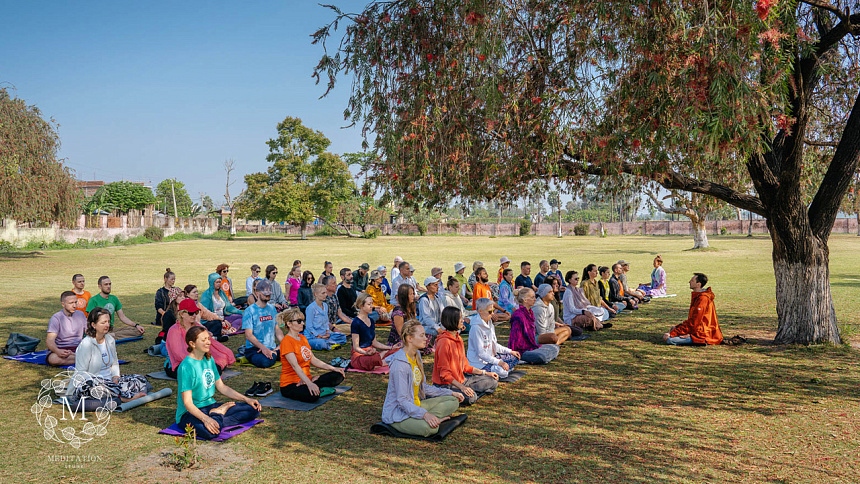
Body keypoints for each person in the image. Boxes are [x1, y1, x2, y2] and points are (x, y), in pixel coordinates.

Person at [176, 326, 262, 441]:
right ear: (192, 344)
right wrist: (206, 419)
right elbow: (188, 403)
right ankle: (218, 415)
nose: (208, 342)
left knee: (253, 409)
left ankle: (217, 418)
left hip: (210, 406)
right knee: (211, 433)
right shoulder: (186, 367)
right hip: (189, 413)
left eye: (208, 339)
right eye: (203, 340)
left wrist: (246, 399)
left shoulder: (208, 359)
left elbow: (222, 387)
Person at [381, 320, 465, 437]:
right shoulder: (399, 365)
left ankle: (430, 418)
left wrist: (450, 392)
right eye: (422, 335)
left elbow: (424, 387)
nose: (426, 338)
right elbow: (402, 401)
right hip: (398, 414)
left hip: (416, 405)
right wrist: (425, 415)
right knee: (430, 430)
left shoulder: (417, 355)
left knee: (453, 401)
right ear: (409, 338)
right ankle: (429, 420)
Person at [66, 308, 150, 403]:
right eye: (103, 323)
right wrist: (102, 383)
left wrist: (115, 377)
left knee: (140, 379)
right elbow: (81, 373)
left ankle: (118, 393)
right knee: (97, 388)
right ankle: (124, 397)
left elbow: (114, 362)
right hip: (94, 383)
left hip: (111, 381)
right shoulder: (86, 344)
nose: (107, 325)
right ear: (93, 325)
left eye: (108, 322)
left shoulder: (110, 340)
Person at [432, 307, 498, 405]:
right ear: (453, 320)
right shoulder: (444, 342)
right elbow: (444, 374)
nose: (463, 320)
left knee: (493, 381)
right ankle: (459, 394)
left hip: (462, 380)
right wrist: (462, 387)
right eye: (460, 318)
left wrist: (485, 373)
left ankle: (467, 392)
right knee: (471, 398)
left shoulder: (459, 339)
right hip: (446, 385)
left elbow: (465, 367)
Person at [277, 308, 346, 402]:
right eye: (299, 321)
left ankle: (315, 385)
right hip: (290, 384)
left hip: (306, 380)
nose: (302, 323)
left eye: (302, 321)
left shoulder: (303, 338)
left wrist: (333, 368)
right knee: (312, 396)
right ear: (289, 324)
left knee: (338, 375)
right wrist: (309, 383)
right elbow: (295, 366)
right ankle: (316, 387)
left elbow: (313, 360)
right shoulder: (286, 341)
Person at [165, 299, 236, 378]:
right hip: (180, 364)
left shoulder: (197, 326)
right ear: (182, 314)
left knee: (219, 359)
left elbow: (212, 344)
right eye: (191, 313)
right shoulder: (174, 330)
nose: (194, 316)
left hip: (198, 359)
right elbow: (179, 354)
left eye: (196, 313)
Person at [662, 273, 723, 345]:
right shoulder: (698, 296)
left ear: (698, 284)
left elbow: (695, 322)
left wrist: (673, 333)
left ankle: (698, 341)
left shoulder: (702, 299)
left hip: (703, 334)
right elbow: (693, 321)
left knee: (670, 340)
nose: (689, 282)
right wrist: (677, 328)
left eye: (692, 281)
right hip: (698, 330)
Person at [466, 298, 520, 379]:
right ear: (480, 311)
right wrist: (500, 363)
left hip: (491, 358)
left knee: (515, 356)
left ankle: (502, 369)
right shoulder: (476, 328)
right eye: (490, 312)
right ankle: (500, 370)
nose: (492, 314)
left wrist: (510, 351)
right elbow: (481, 354)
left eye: (493, 311)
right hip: (479, 363)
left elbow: (494, 345)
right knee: (502, 372)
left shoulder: (489, 322)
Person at [508, 289, 560, 364]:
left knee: (555, 347)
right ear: (525, 300)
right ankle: (538, 358)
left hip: (531, 346)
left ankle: (541, 357)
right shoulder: (518, 315)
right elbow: (515, 341)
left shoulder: (530, 312)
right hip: (521, 350)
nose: (535, 299)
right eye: (532, 297)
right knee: (541, 356)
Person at [350, 294, 400, 370]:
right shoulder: (356, 323)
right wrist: (366, 353)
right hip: (360, 355)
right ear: (361, 306)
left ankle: (381, 359)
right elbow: (356, 347)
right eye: (369, 304)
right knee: (373, 360)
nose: (371, 306)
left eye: (372, 303)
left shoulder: (371, 321)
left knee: (397, 351)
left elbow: (374, 342)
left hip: (371, 352)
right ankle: (382, 360)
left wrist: (391, 347)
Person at [242, 279, 283, 368]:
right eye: (265, 293)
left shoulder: (272, 309)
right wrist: (263, 349)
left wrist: (284, 343)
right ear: (257, 293)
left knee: (293, 352)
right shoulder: (249, 311)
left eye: (269, 293)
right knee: (266, 362)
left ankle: (274, 353)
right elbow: (248, 335)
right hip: (255, 349)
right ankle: (274, 354)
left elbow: (277, 329)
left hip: (271, 347)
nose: (268, 295)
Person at [46, 291, 87, 366]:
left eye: (76, 302)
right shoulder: (56, 318)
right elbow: (49, 340)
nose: (74, 305)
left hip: (78, 348)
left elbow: (88, 333)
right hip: (62, 349)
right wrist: (57, 351)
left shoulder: (81, 315)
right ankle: (84, 359)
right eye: (71, 303)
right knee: (53, 359)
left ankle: (80, 357)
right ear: (63, 304)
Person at [304, 283, 348, 350]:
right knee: (322, 343)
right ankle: (328, 344)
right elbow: (309, 327)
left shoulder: (325, 305)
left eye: (325, 293)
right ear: (316, 294)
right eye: (323, 293)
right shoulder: (311, 308)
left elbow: (326, 322)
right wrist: (319, 336)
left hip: (325, 335)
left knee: (342, 337)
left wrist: (327, 332)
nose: (326, 295)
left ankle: (329, 343)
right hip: (313, 337)